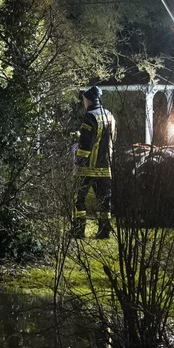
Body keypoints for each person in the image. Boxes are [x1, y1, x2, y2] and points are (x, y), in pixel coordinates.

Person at [72, 86, 117, 239]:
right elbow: (109, 139)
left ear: (88, 100)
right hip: (106, 167)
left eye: (84, 100)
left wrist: (79, 159)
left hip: (88, 168)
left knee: (78, 199)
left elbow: (86, 143)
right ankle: (104, 231)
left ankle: (78, 231)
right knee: (104, 202)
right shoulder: (109, 116)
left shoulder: (90, 117)